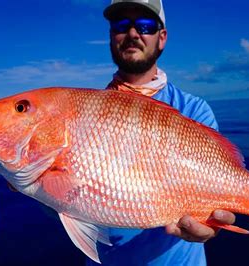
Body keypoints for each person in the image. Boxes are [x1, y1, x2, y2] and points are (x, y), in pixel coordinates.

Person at [86, 0, 237, 265]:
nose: (133, 33)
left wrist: (210, 224)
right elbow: (70, 205)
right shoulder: (85, 113)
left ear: (162, 37)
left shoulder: (193, 110)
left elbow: (217, 192)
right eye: (122, 25)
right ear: (111, 36)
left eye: (145, 25)